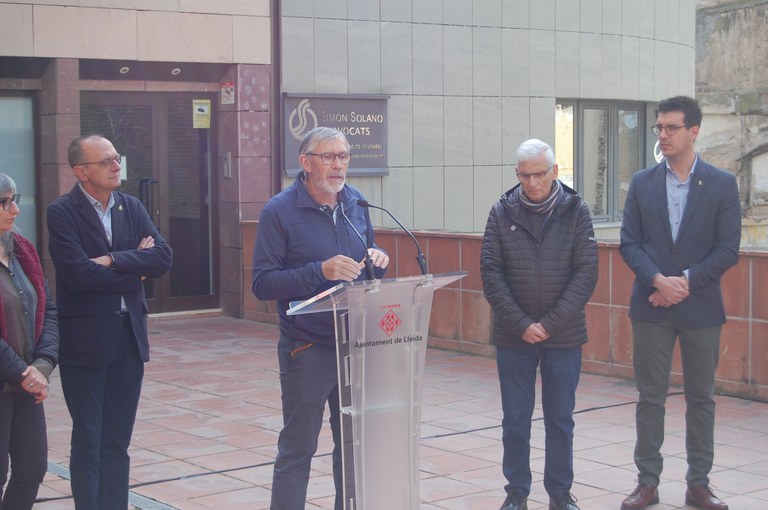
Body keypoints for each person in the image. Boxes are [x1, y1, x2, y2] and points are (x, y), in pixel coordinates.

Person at [252, 126, 389, 509]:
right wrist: (319, 271)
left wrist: (377, 261)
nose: (338, 165)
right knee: (298, 448)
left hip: (355, 344)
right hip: (308, 347)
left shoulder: (356, 202)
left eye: (343, 156)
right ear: (305, 163)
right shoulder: (279, 211)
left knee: (352, 448)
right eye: (328, 157)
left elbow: (363, 263)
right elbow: (262, 283)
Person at [619, 96, 740, 510]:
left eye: (671, 128)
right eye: (659, 128)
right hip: (651, 304)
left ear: (694, 131)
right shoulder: (642, 182)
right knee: (650, 396)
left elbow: (728, 249)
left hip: (700, 306)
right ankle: (647, 483)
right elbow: (629, 244)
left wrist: (682, 283)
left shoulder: (722, 184)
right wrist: (657, 280)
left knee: (700, 397)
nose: (663, 135)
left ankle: (698, 484)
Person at [46, 134, 172, 509]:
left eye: (117, 158)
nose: (117, 166)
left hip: (128, 339)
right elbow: (78, 276)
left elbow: (163, 259)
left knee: (117, 440)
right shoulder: (61, 212)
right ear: (81, 171)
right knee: (89, 439)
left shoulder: (131, 206)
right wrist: (135, 267)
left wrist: (111, 260)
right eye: (106, 161)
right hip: (84, 343)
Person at [481, 139, 598, 510]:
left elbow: (586, 273)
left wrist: (548, 324)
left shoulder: (576, 210)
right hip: (513, 335)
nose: (530, 182)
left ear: (554, 172)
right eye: (523, 175)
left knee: (560, 418)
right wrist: (521, 324)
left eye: (537, 174)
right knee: (515, 418)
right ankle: (516, 492)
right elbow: (491, 274)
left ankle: (560, 494)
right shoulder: (501, 212)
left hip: (563, 334)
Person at [0, 173, 59, 509]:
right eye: (4, 202)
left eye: (14, 199)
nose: (15, 210)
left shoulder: (22, 250)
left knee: (32, 469)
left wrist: (42, 365)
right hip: (12, 380)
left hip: (26, 385)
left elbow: (47, 309)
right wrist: (24, 373)